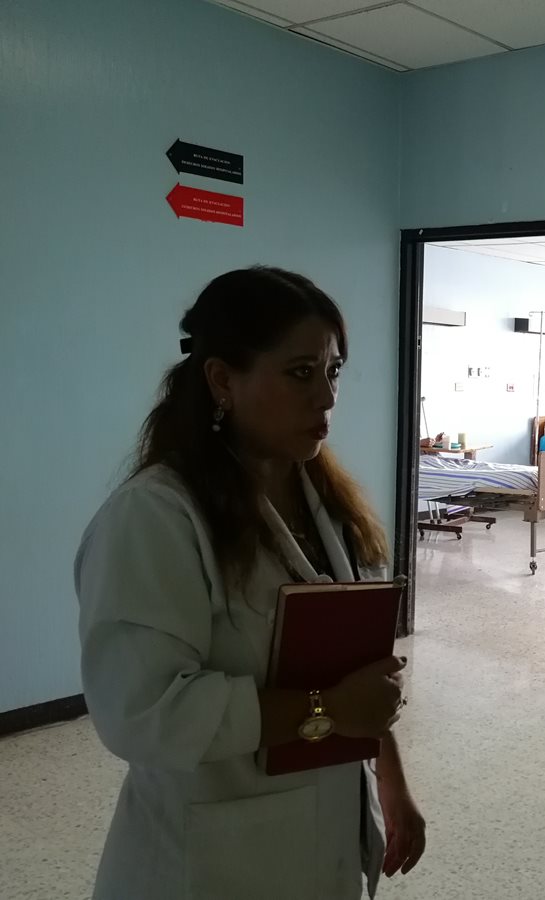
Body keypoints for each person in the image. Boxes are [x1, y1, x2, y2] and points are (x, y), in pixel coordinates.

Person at [75, 267, 425, 900]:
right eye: (300, 372)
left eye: (333, 372)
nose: (326, 397)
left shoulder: (326, 506)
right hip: (207, 861)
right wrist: (326, 711)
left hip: (322, 838)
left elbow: (350, 668)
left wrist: (390, 775)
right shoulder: (155, 517)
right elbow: (142, 713)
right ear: (221, 381)